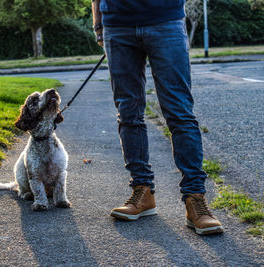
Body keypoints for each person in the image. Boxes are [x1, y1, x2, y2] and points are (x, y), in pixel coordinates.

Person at [91, 0, 223, 235]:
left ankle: (195, 199)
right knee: (128, 113)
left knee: (179, 112)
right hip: (117, 23)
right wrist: (99, 25)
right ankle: (142, 191)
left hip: (165, 19)